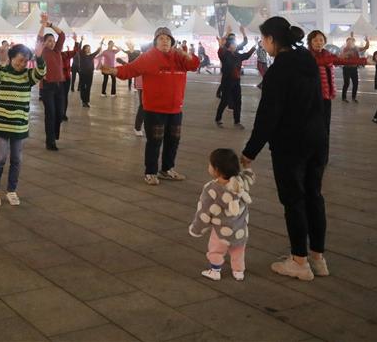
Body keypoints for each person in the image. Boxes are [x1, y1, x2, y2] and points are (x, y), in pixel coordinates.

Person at [241, 16, 328, 281]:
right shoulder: (308, 61)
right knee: (314, 196)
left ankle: (299, 262)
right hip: (318, 139)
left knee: (294, 200)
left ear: (270, 40)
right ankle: (317, 257)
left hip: (291, 143)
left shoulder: (279, 70)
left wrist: (250, 151)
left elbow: (268, 115)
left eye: (263, 39)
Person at [109, 27, 199, 184]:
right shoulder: (148, 57)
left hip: (175, 108)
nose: (165, 41)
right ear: (155, 41)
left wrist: (186, 54)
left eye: (168, 39)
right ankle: (150, 172)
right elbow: (130, 70)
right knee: (155, 141)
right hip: (154, 109)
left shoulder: (179, 57)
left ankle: (167, 169)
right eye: (161, 38)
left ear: (172, 41)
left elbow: (194, 65)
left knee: (173, 140)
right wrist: (113, 71)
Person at [0, 42, 46, 206]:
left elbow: (41, 72)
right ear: (11, 57)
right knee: (0, 159)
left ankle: (11, 190)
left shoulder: (27, 76)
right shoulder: (0, 73)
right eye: (19, 60)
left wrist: (40, 58)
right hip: (2, 124)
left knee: (16, 160)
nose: (22, 64)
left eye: (25, 61)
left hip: (20, 125)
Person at [188, 149, 255, 281]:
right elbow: (249, 176)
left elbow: (204, 212)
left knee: (216, 250)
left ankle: (215, 270)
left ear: (216, 169)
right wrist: (247, 165)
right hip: (240, 229)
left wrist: (196, 229)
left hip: (221, 230)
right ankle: (238, 271)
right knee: (238, 251)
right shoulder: (240, 182)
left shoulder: (212, 189)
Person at [306, 30, 366, 151]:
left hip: (326, 96)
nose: (318, 43)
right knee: (313, 126)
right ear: (310, 42)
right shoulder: (306, 55)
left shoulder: (326, 53)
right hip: (312, 97)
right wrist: (332, 60)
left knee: (325, 125)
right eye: (315, 40)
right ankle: (312, 151)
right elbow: (316, 63)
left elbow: (344, 61)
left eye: (321, 40)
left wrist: (364, 61)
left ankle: (323, 153)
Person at [214, 27, 255, 129]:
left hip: (236, 82)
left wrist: (255, 47)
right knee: (225, 101)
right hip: (227, 82)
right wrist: (224, 37)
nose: (236, 45)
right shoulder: (224, 55)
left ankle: (237, 122)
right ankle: (218, 119)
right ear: (229, 45)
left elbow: (247, 55)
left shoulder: (237, 55)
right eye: (233, 44)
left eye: (235, 44)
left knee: (238, 101)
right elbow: (220, 49)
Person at [36, 14, 66, 151]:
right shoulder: (43, 51)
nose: (52, 42)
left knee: (60, 114)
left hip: (60, 85)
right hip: (47, 87)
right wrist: (43, 25)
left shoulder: (57, 50)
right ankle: (50, 141)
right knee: (51, 113)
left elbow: (63, 35)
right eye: (49, 40)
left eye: (53, 40)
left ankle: (54, 135)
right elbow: (39, 38)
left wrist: (51, 25)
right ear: (45, 43)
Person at [340, 33, 370, 102]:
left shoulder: (356, 48)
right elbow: (344, 56)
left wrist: (367, 41)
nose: (350, 43)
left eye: (352, 42)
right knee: (346, 83)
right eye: (349, 42)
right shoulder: (345, 49)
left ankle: (354, 97)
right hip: (346, 69)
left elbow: (366, 47)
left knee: (355, 83)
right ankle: (344, 97)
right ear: (347, 42)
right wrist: (349, 53)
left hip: (354, 68)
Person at [75, 39, 102, 108]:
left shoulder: (91, 56)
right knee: (83, 87)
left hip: (90, 73)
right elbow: (78, 48)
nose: (88, 49)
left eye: (89, 48)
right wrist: (81, 41)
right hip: (83, 73)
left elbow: (97, 51)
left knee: (88, 87)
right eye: (87, 48)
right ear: (84, 49)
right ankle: (84, 101)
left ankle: (86, 101)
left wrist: (101, 43)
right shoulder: (81, 55)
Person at [60, 35, 80, 122]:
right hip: (57, 80)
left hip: (66, 79)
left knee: (64, 97)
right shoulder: (53, 55)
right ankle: (59, 113)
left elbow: (76, 51)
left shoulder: (66, 54)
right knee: (59, 97)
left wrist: (76, 41)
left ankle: (63, 114)